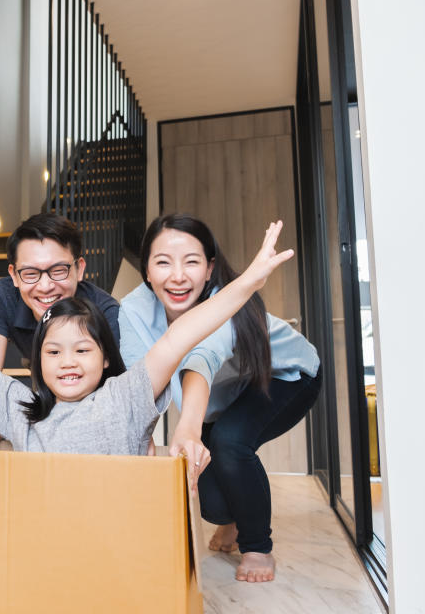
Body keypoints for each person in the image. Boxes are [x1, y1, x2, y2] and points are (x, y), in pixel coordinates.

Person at [0, 221, 293, 456]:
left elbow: (181, 336)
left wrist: (248, 285)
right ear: (36, 364)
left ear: (106, 359)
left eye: (83, 349)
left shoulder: (125, 398)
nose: (68, 361)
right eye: (53, 352)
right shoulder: (21, 409)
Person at [118, 214, 321, 584]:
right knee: (213, 503)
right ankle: (232, 519)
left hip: (287, 376)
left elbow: (202, 359)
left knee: (229, 442)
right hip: (221, 396)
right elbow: (140, 379)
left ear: (210, 268)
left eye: (191, 262)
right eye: (163, 262)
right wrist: (144, 436)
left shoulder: (229, 300)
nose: (177, 276)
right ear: (146, 269)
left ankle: (257, 546)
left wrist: (190, 427)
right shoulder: (132, 310)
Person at [0, 213, 120, 449]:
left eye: (58, 270)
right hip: (42, 383)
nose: (45, 286)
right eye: (30, 273)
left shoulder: (105, 311)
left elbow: (113, 392)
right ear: (14, 275)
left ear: (79, 269)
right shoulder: (0, 297)